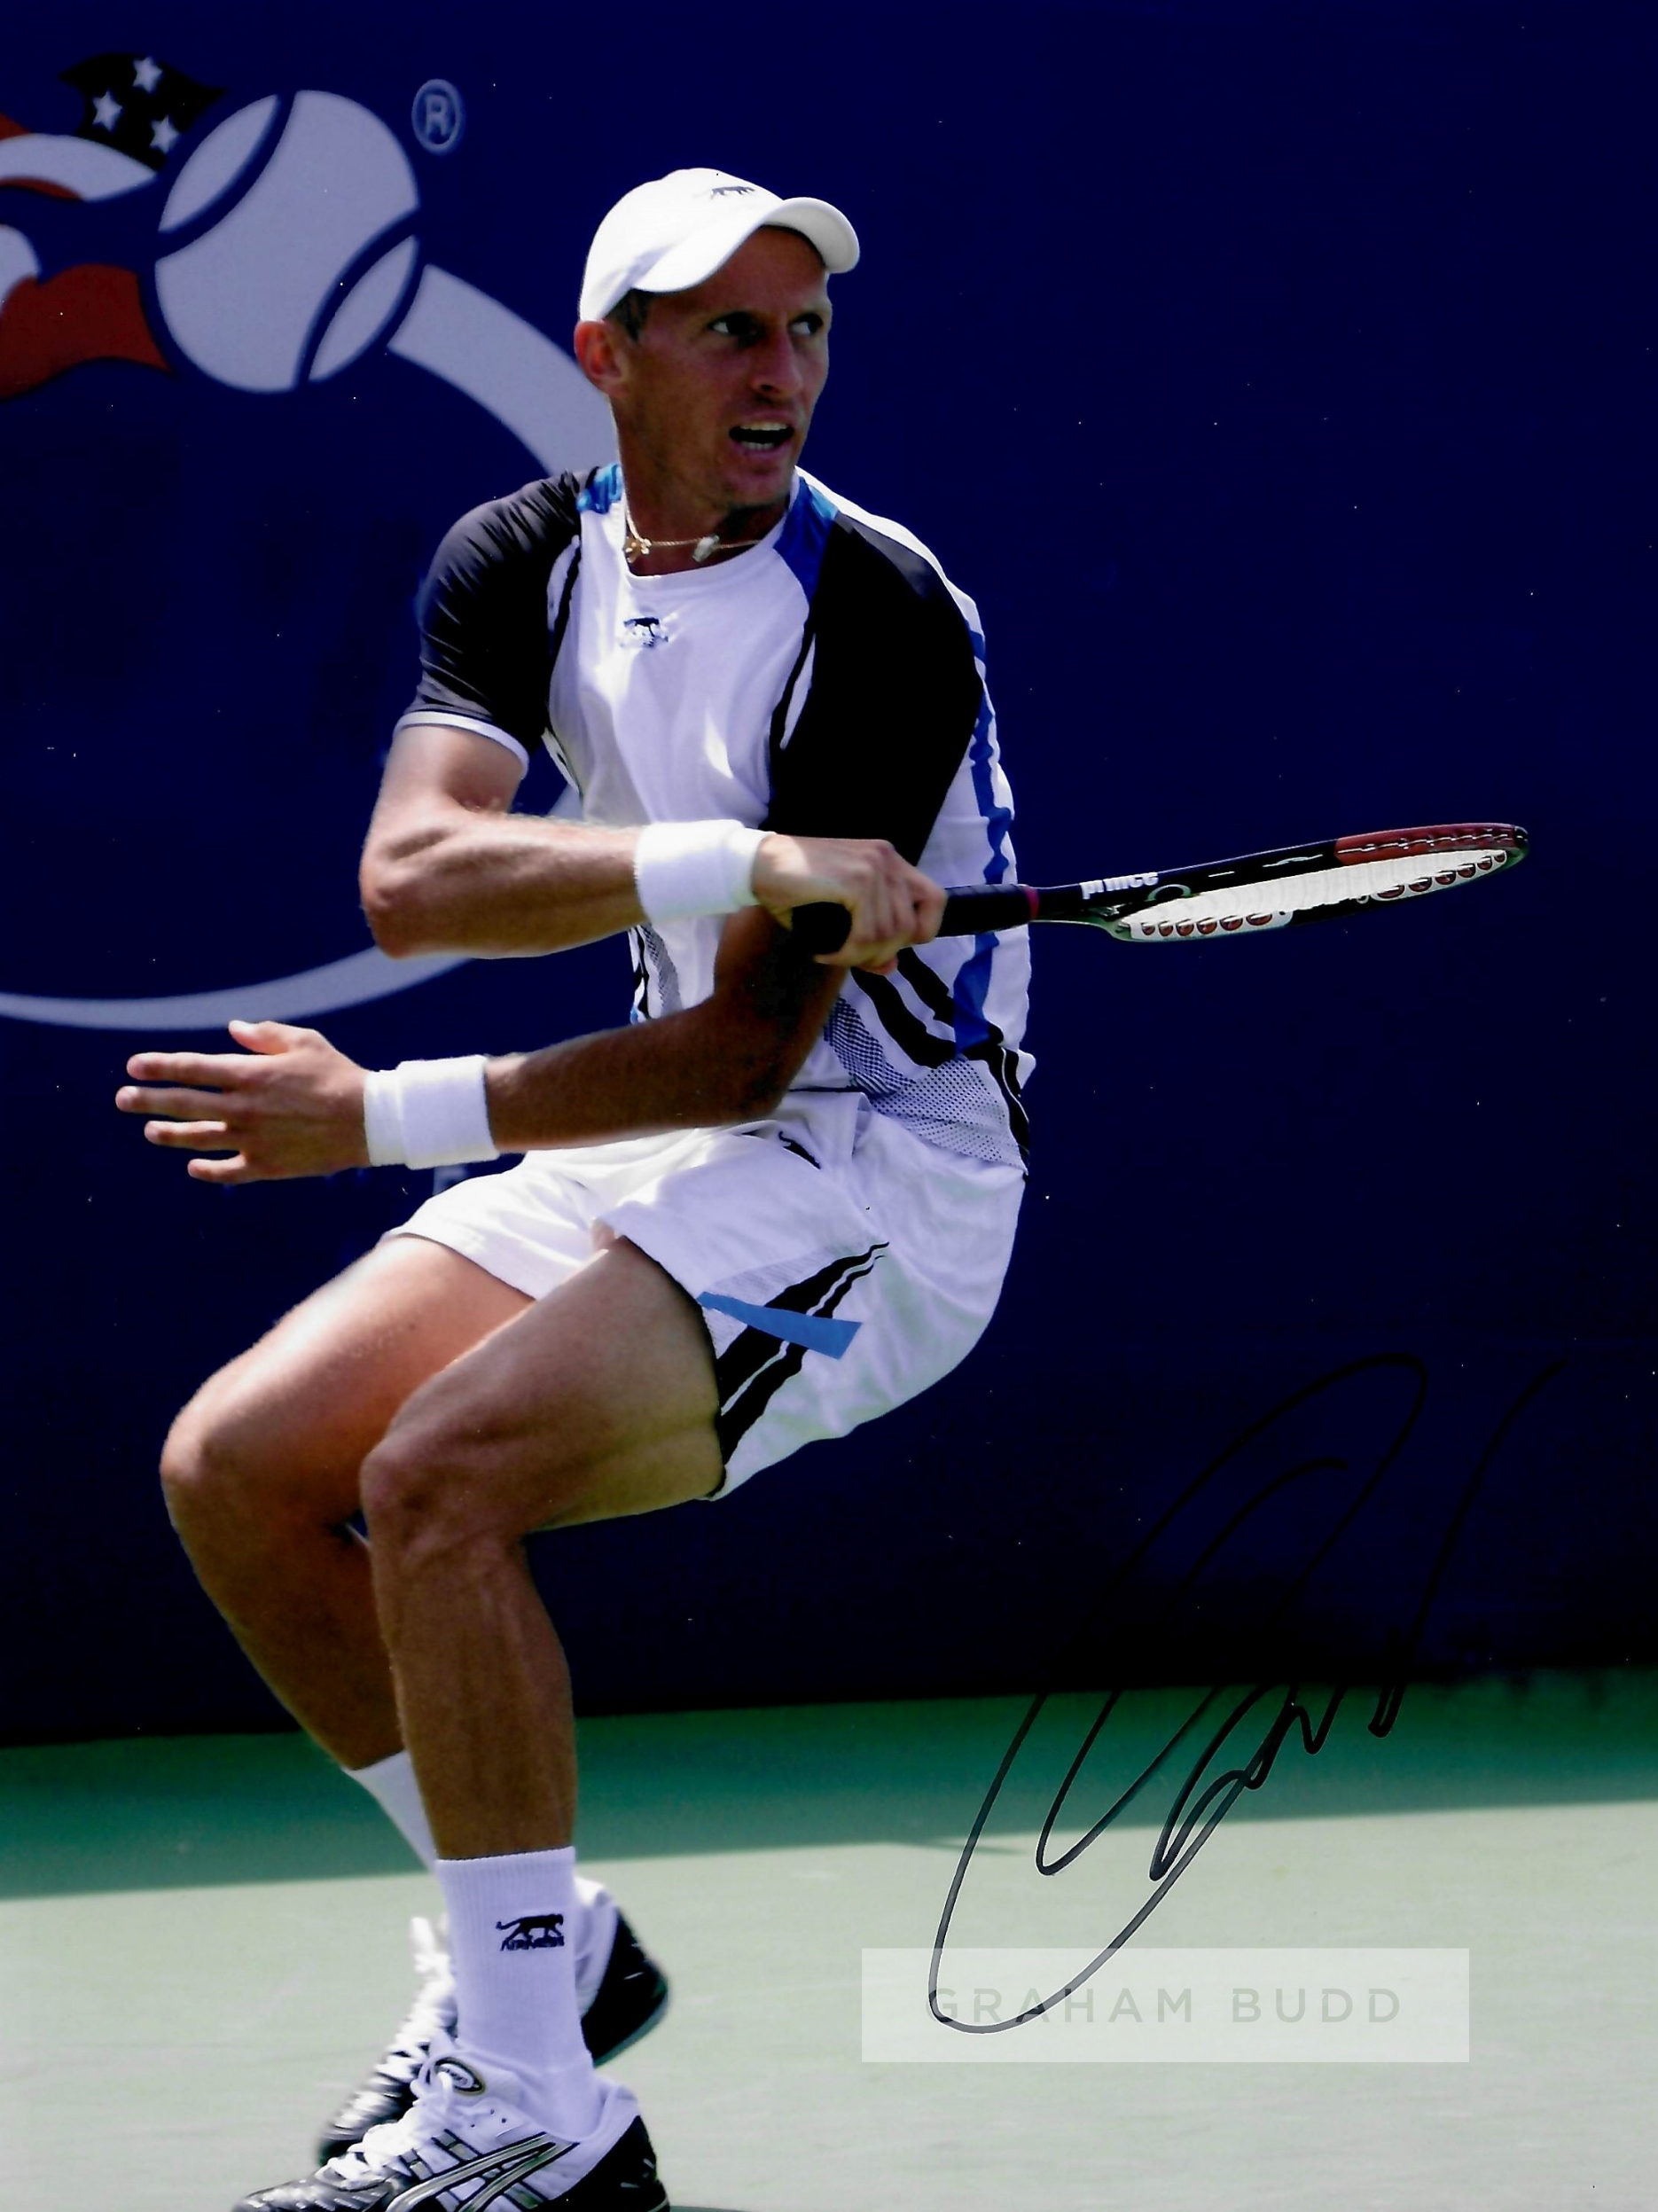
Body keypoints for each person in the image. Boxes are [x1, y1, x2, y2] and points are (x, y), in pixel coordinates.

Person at [117, 167, 1033, 2212]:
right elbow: (411, 879)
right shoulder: (519, 559)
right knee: (241, 1467)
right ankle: (552, 1951)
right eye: (725, 328)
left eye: (803, 327)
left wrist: (372, 1121)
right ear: (606, 358)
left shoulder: (879, 618)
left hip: (878, 1174)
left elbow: (737, 1054)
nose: (778, 368)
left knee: (443, 1482)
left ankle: (535, 2105)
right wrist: (739, 865)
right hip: (658, 1136)